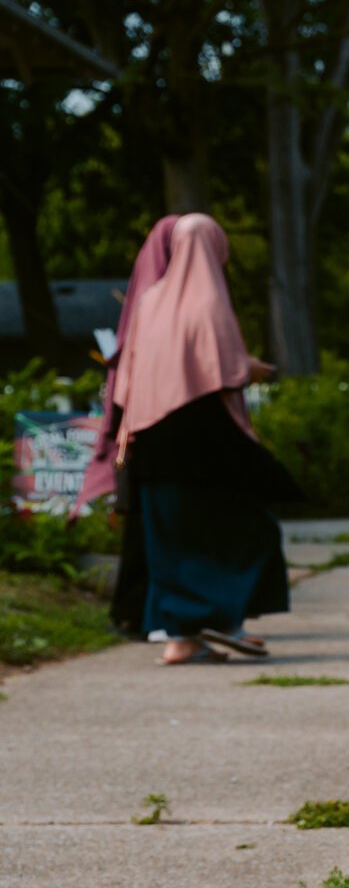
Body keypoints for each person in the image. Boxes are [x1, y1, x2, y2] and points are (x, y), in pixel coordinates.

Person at [114, 213, 298, 665]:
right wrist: (250, 368)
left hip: (151, 442)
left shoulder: (149, 299)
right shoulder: (210, 302)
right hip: (204, 442)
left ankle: (182, 638)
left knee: (169, 540)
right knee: (248, 529)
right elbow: (224, 372)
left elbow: (127, 376)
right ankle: (221, 618)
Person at [77, 213, 177, 633]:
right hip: (151, 430)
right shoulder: (158, 300)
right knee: (149, 522)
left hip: (141, 428)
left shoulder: (150, 295)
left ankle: (138, 609)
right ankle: (141, 610)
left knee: (146, 521)